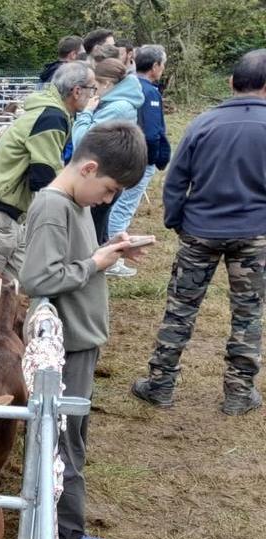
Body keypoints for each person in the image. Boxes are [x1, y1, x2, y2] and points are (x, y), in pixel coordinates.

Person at [20, 121, 150, 539]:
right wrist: (96, 263)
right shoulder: (53, 206)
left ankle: (68, 532)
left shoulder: (73, 203)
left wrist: (108, 250)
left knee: (73, 440)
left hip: (80, 340)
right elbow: (37, 278)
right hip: (66, 346)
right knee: (64, 447)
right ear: (89, 168)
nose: (107, 199)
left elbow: (69, 262)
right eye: (109, 189)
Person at [0, 61, 97, 377]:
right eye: (92, 89)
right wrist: (71, 203)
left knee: (17, 289)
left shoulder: (51, 112)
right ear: (77, 91)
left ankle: (3, 354)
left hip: (8, 215)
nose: (95, 95)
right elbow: (43, 175)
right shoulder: (52, 117)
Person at [132, 49, 266, 416]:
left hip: (200, 230)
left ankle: (160, 384)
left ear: (231, 82)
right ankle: (239, 393)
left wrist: (177, 221)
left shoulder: (203, 123)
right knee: (248, 314)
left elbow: (176, 180)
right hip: (254, 234)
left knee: (180, 310)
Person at [105, 45, 171, 277]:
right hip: (139, 159)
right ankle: (112, 260)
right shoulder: (149, 92)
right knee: (123, 207)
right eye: (162, 64)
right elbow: (151, 133)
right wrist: (155, 156)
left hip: (124, 154)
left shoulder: (128, 86)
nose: (163, 69)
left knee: (116, 204)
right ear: (155, 66)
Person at [71, 58, 144, 249]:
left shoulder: (117, 107)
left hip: (102, 177)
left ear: (107, 84)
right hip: (107, 173)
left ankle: (97, 260)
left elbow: (82, 141)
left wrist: (86, 112)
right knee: (98, 228)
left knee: (92, 232)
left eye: (95, 86)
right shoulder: (119, 104)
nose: (93, 92)